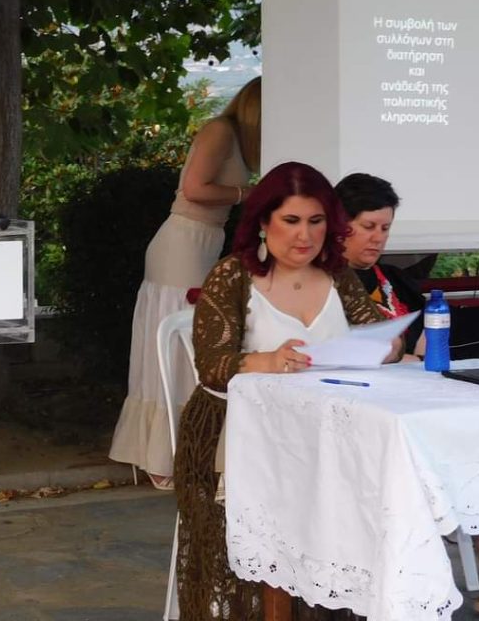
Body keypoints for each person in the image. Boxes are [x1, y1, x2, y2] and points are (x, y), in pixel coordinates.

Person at [173, 161, 401, 620]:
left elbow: (379, 333)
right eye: (291, 220)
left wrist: (389, 346)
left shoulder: (337, 274)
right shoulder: (233, 275)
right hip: (236, 440)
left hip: (326, 437)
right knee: (257, 560)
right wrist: (268, 361)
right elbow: (212, 366)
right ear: (263, 221)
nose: (305, 235)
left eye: (316, 221)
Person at [334, 173, 479, 621]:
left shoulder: (391, 277)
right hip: (365, 407)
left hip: (416, 394)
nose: (378, 238)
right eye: (369, 227)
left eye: (385, 228)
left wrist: (411, 352)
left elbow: (429, 336)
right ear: (341, 224)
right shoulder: (322, 281)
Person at [109, 76, 261, 489]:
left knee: (190, 341)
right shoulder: (220, 131)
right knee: (181, 342)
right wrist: (247, 194)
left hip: (203, 239)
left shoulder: (236, 138)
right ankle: (165, 455)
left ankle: (179, 449)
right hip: (183, 243)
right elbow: (194, 188)